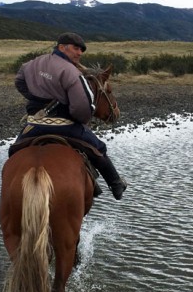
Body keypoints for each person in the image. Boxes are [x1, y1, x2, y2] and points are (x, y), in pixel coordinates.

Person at [13, 32, 128, 200]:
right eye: (76, 48)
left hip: (33, 124)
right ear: (61, 47)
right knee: (99, 148)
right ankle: (116, 184)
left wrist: (35, 99)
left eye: (81, 50)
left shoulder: (31, 64)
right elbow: (82, 109)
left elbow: (19, 81)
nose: (80, 53)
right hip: (64, 125)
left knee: (14, 150)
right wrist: (78, 119)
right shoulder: (72, 73)